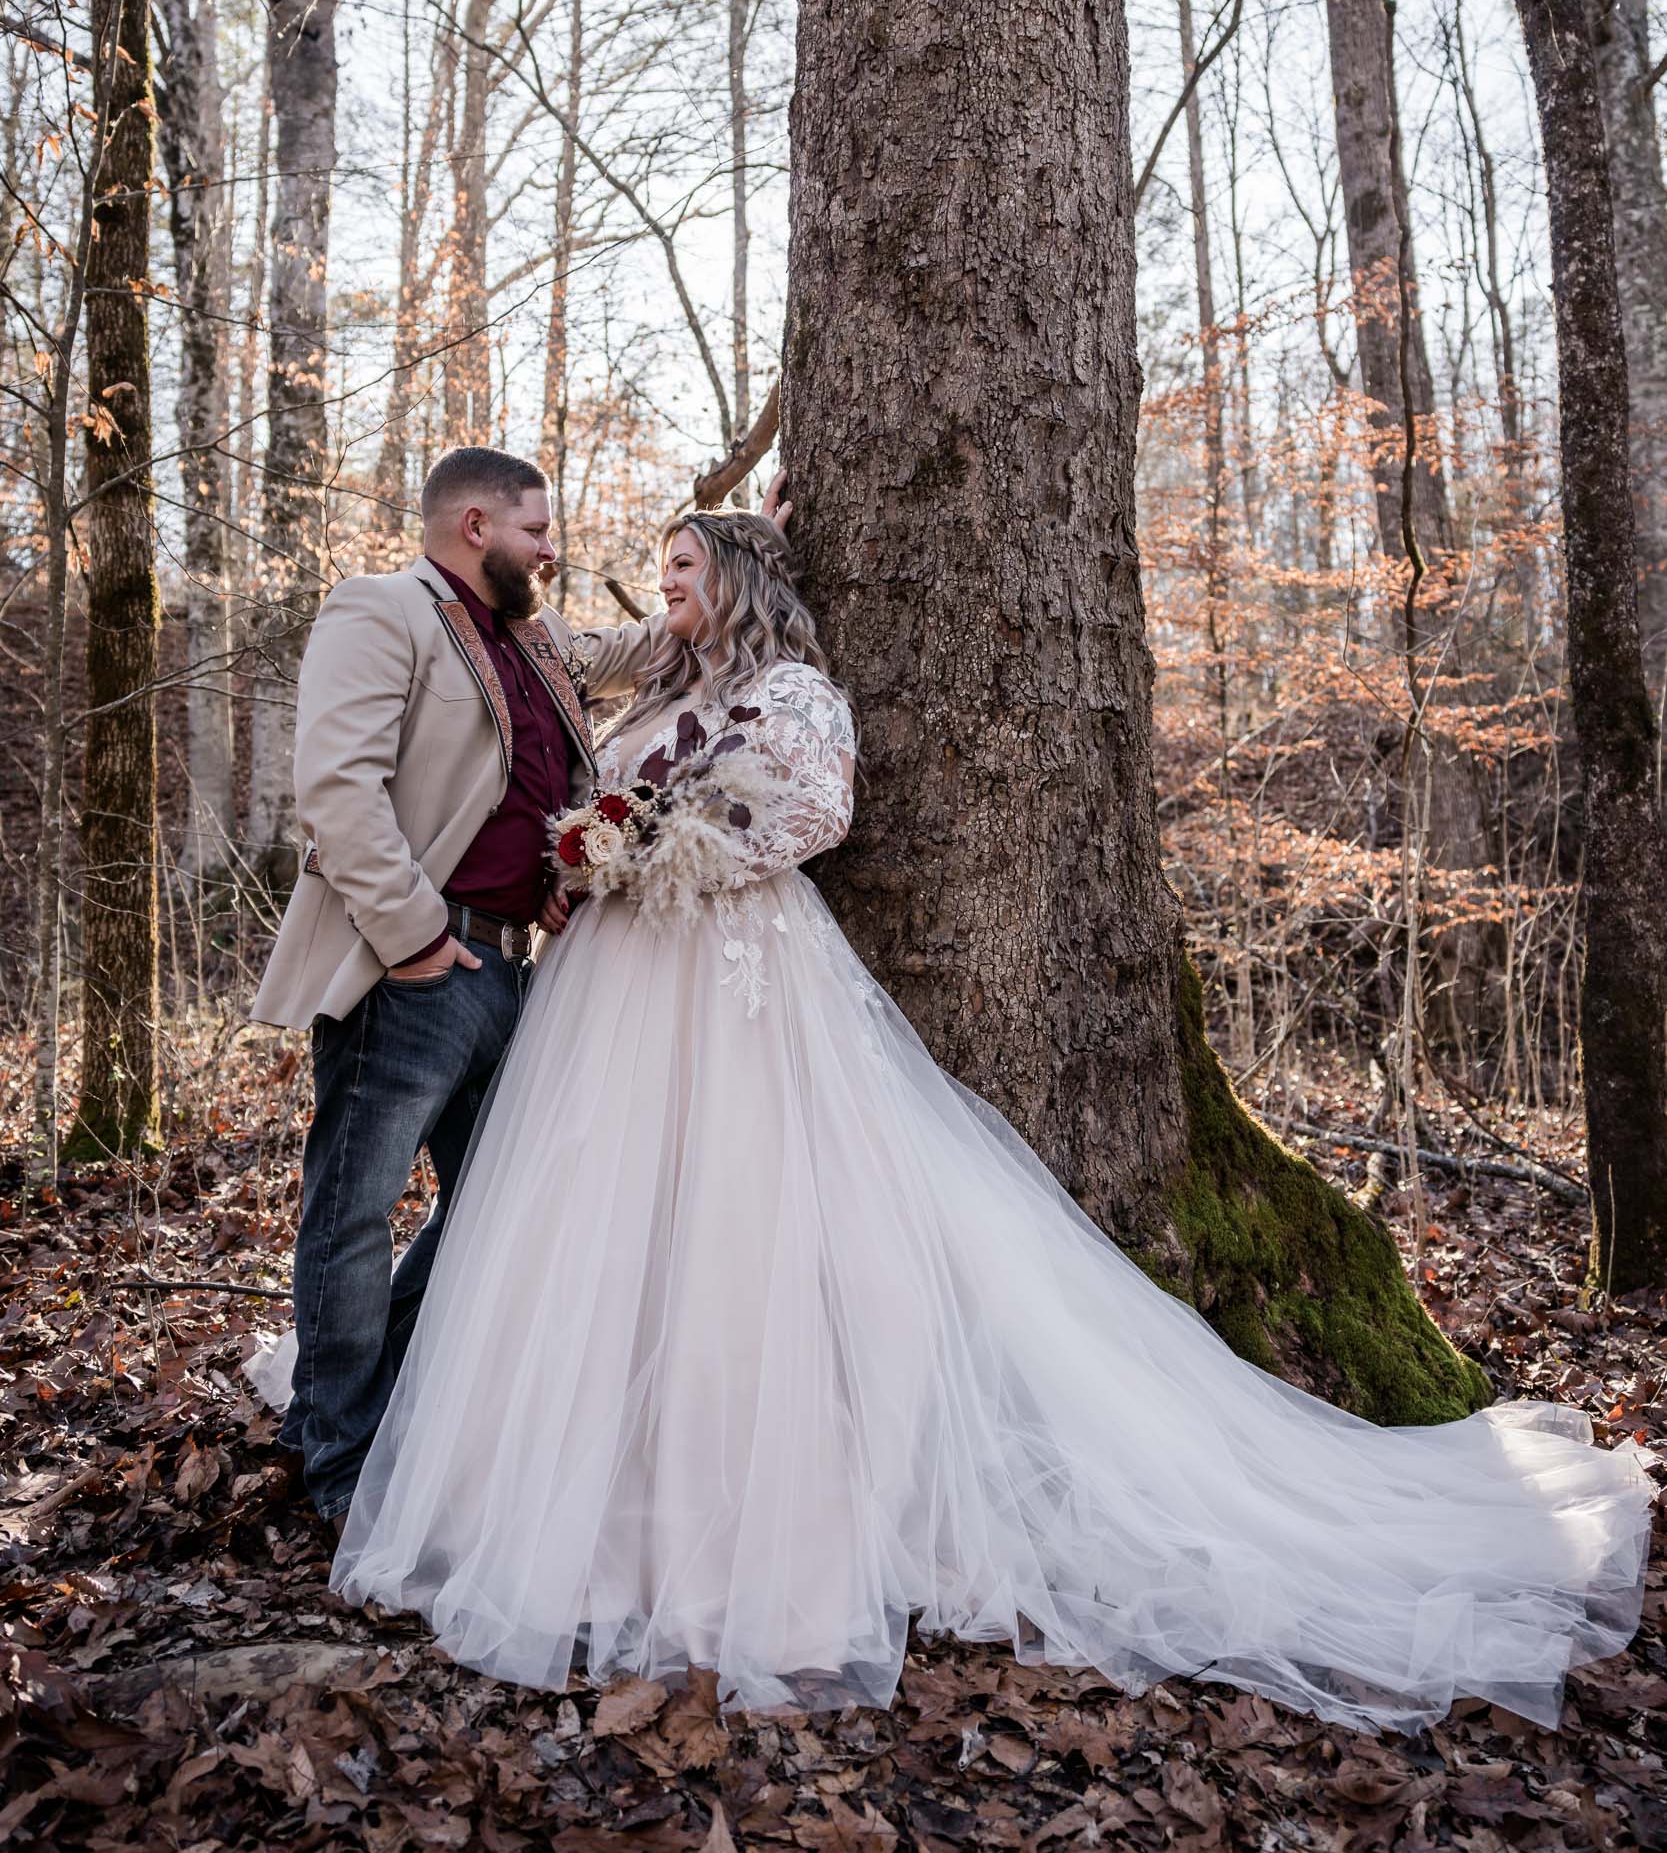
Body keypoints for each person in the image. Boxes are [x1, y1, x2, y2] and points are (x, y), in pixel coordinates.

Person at [278, 508, 1651, 1732]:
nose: (667, 586)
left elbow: (813, 811)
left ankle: (763, 1519)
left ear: (739, 576)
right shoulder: (646, 685)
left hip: (734, 965)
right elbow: (556, 668)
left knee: (751, 1217)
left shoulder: (793, 688)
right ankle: (525, 1479)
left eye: (686, 567)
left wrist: (666, 845)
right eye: (661, 573)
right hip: (610, 982)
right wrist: (605, 833)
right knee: (583, 1218)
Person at [251, 448, 788, 1528]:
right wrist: (413, 939)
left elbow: (655, 640)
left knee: (499, 1207)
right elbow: (336, 787)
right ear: (475, 525)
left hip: (511, 973)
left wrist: (762, 544)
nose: (552, 550)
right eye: (537, 532)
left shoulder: (532, 638)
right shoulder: (381, 611)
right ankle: (334, 1456)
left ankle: (385, 1399)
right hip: (413, 967)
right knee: (352, 1213)